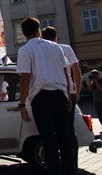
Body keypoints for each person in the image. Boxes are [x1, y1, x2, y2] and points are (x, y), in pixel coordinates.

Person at [16, 17, 74, 175]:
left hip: (41, 97)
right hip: (59, 94)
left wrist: (22, 104)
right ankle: (70, 171)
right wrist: (68, 98)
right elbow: (65, 74)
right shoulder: (56, 47)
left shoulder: (25, 50)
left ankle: (54, 171)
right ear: (38, 30)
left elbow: (25, 78)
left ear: (23, 33)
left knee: (48, 139)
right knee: (64, 137)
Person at [42, 26, 82, 170]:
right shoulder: (66, 48)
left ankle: (56, 165)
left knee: (53, 131)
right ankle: (72, 165)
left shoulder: (43, 51)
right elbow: (76, 71)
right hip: (68, 91)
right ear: (56, 37)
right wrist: (76, 90)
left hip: (52, 91)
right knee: (69, 131)